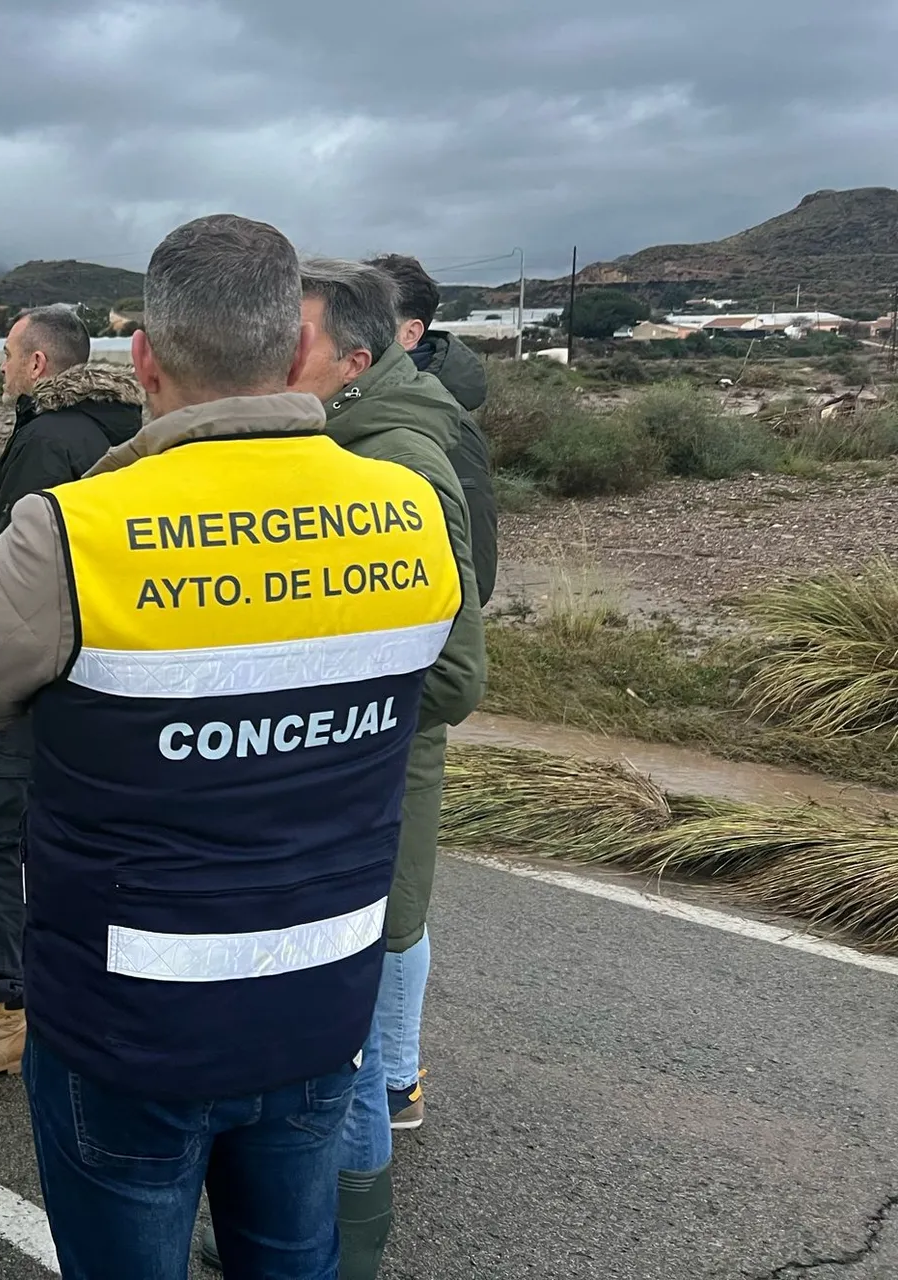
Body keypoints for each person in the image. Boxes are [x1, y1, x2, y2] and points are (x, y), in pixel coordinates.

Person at [0, 214, 483, 1280]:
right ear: (292, 352)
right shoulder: (407, 510)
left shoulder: (76, 526)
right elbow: (440, 681)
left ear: (143, 358)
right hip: (322, 990)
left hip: (128, 1018)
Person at [288, 257, 489, 1277]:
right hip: (348, 777)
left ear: (357, 358)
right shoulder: (341, 436)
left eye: (299, 337)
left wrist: (315, 689)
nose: (279, 353)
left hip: (371, 777)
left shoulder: (397, 460)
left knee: (347, 1047)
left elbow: (454, 674)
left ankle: (345, 1245)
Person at [0, 305, 143, 1085]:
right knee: (73, 844)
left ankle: (6, 1008)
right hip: (109, 685)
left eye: (8, 356)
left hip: (33, 684)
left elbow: (24, 585)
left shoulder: (49, 439)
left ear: (40, 366)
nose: (1, 369)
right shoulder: (132, 432)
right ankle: (80, 1003)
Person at [367, 253, 497, 608]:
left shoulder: (450, 426)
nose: (353, 330)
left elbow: (475, 575)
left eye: (371, 319)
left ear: (410, 333)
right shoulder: (356, 400)